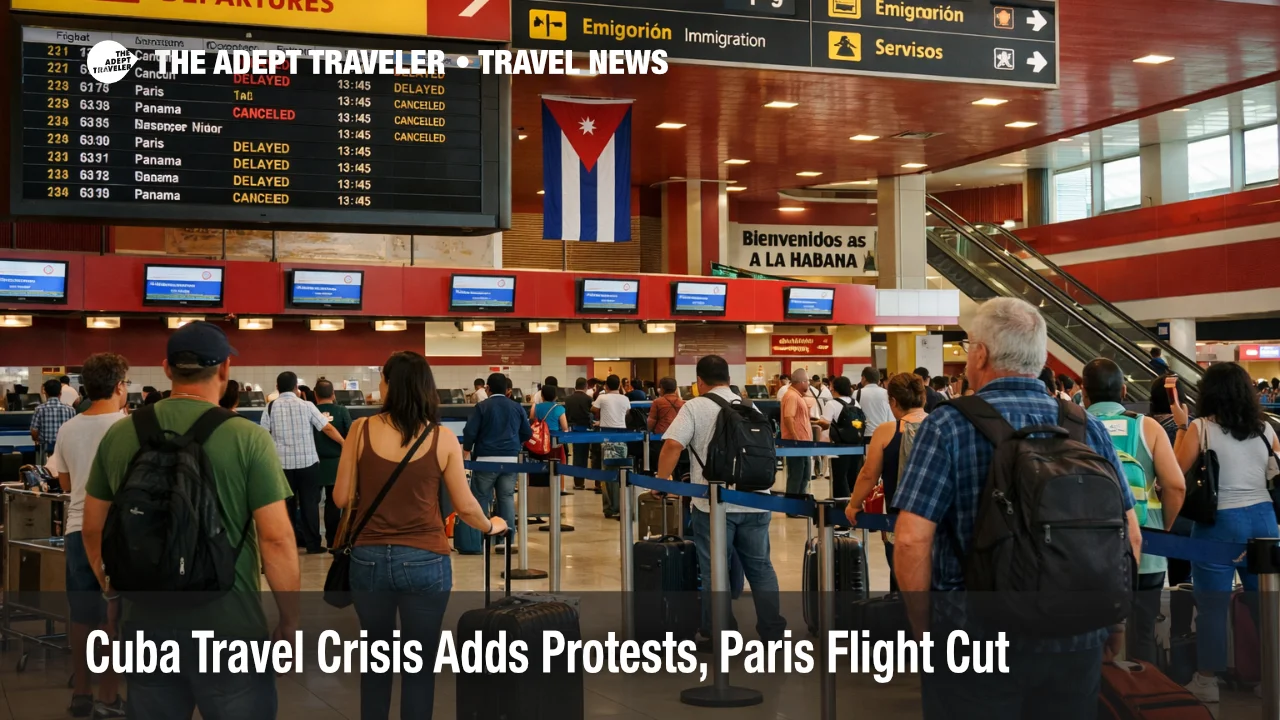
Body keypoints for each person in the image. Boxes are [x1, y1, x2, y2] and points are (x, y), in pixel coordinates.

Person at [891, 298, 1141, 719]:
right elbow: (1129, 534)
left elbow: (912, 538)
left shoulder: (948, 425)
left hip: (974, 638)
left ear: (982, 353)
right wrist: (1113, 623)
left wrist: (924, 632)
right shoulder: (1085, 426)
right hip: (1075, 634)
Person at [82, 321, 299, 719]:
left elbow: (94, 528)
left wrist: (113, 592)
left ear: (167, 369)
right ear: (225, 369)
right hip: (230, 628)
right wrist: (289, 620)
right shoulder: (248, 438)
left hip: (146, 625)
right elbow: (277, 540)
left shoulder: (121, 434)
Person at [333, 352, 506, 720]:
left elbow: (341, 497)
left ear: (391, 386)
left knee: (376, 661)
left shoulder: (359, 430)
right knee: (419, 667)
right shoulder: (441, 437)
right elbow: (466, 505)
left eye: (382, 378)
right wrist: (493, 527)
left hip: (368, 560)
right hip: (426, 560)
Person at [656, 354, 786, 642]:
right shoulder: (751, 406)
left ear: (699, 381)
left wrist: (661, 481)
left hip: (713, 504)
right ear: (729, 378)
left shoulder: (696, 406)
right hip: (756, 500)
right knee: (761, 567)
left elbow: (672, 445)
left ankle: (721, 632)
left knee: (716, 569)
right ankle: (772, 630)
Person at [1172, 361, 1280, 704]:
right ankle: (1272, 677)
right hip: (1264, 523)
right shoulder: (1267, 429)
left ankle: (1207, 680)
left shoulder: (1201, 428)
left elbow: (1175, 473)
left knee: (1212, 606)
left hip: (1218, 524)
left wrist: (1179, 427)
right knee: (1265, 603)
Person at [1081, 358, 1186, 666]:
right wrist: (1162, 526)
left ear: (1084, 394)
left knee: (1089, 636)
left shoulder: (1072, 425)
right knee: (1142, 632)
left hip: (1087, 551)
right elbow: (1176, 486)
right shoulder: (1147, 427)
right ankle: (1142, 702)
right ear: (1124, 391)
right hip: (1147, 549)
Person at [51, 354, 129, 719]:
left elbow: (64, 483)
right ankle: (110, 695)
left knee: (81, 615)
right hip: (118, 531)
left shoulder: (69, 428)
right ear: (118, 386)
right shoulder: (128, 427)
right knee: (114, 614)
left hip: (77, 530)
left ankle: (81, 692)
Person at [846, 372, 928, 593]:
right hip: (939, 523)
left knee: (901, 584)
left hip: (900, 522)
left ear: (893, 401)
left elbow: (868, 474)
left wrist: (854, 504)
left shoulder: (887, 431)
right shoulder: (942, 426)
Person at [260, 371, 346, 554]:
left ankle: (289, 543)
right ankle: (313, 545)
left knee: (287, 506)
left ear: (277, 387)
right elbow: (327, 428)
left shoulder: (269, 407)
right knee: (309, 504)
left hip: (282, 466)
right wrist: (343, 443)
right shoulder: (307, 405)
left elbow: (263, 436)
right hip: (308, 463)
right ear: (296, 388)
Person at [462, 373, 531, 546]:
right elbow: (527, 433)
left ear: (488, 388)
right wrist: (514, 442)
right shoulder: (517, 407)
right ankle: (506, 539)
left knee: (481, 498)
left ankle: (479, 539)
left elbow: (470, 431)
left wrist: (467, 450)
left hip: (485, 459)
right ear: (507, 390)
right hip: (510, 460)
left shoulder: (482, 406)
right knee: (506, 498)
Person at [314, 379, 353, 550]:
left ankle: (311, 540)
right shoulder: (342, 411)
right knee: (333, 502)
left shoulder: (311, 410)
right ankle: (333, 540)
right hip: (338, 463)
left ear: (315, 395)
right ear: (333, 394)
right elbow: (351, 435)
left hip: (313, 463)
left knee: (310, 503)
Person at [592, 375, 632, 518]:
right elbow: (626, 412)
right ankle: (621, 505)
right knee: (620, 471)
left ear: (606, 386)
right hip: (622, 437)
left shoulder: (602, 398)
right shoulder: (625, 398)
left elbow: (593, 409)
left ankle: (610, 507)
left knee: (607, 472)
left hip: (607, 436)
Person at [822, 376, 862, 498]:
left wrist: (815, 422)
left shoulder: (831, 404)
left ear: (835, 389)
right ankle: (854, 501)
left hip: (839, 445)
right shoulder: (855, 402)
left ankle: (841, 504)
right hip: (856, 444)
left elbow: (825, 424)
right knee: (853, 475)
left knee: (840, 476)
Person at [781, 368, 813, 497]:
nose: (808, 384)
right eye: (807, 381)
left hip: (803, 443)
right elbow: (789, 417)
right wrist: (795, 438)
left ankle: (800, 503)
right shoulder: (792, 396)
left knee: (804, 475)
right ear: (801, 382)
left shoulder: (797, 396)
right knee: (797, 475)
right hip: (796, 443)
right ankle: (792, 506)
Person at [30, 378, 76, 462]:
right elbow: (74, 431)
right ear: (60, 393)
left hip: (45, 450)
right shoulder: (71, 410)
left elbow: (34, 432)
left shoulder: (39, 409)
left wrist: (37, 439)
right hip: (65, 450)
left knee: (45, 471)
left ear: (45, 393)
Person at [647, 377, 685, 472]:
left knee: (660, 465)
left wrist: (649, 431)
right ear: (676, 388)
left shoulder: (657, 402)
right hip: (678, 437)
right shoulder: (683, 403)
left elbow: (651, 420)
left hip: (660, 437)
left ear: (662, 388)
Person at [564, 377, 595, 489]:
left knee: (577, 454)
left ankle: (578, 482)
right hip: (586, 429)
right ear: (586, 386)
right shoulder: (588, 399)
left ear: (575, 386)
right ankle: (583, 479)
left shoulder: (568, 399)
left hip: (573, 429)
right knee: (585, 454)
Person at [856, 366, 894, 431]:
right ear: (878, 381)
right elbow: (891, 417)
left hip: (863, 433)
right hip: (883, 432)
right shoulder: (887, 393)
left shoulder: (856, 394)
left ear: (864, 378)